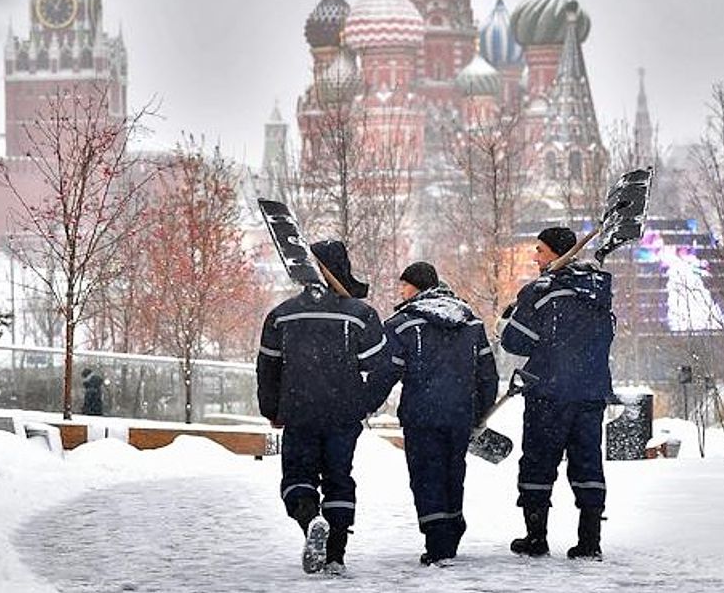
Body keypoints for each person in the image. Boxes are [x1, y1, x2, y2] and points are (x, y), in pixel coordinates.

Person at [256, 240, 389, 576]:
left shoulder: (282, 315)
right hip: (343, 414)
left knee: (297, 476)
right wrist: (364, 403)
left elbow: (267, 368)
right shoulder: (361, 315)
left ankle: (309, 518)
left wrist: (271, 409)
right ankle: (336, 555)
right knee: (338, 479)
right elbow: (383, 366)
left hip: (299, 411)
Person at [366, 261, 498, 565]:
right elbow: (487, 374)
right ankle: (452, 529)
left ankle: (438, 541)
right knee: (454, 473)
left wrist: (366, 404)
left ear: (416, 287)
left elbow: (386, 372)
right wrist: (480, 413)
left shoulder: (401, 325)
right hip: (460, 415)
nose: (401, 291)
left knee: (427, 476)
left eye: (404, 285)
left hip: (422, 416)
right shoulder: (471, 323)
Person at [500, 226, 614, 560]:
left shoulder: (539, 291)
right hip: (590, 393)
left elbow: (514, 342)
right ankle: (590, 540)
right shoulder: (599, 291)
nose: (535, 257)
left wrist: (510, 319)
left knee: (538, 463)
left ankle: (535, 537)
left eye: (540, 250)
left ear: (554, 253)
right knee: (588, 464)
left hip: (548, 393)